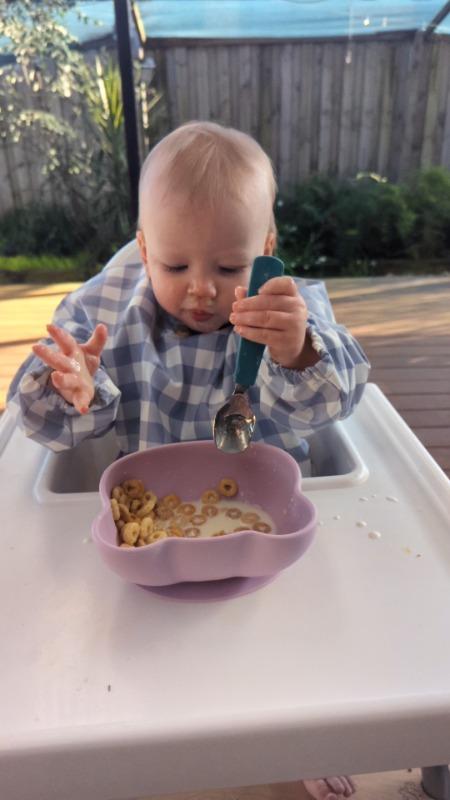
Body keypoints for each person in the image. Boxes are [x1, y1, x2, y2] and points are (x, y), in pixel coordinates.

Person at [8, 121, 367, 800]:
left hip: (261, 520)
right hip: (158, 528)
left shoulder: (285, 308)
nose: (201, 289)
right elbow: (32, 420)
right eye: (175, 267)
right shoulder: (103, 307)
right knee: (154, 652)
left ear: (265, 250)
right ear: (143, 249)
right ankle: (156, 730)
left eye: (228, 268)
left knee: (284, 640)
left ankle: (305, 735)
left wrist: (299, 353)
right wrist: (74, 388)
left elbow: (343, 395)